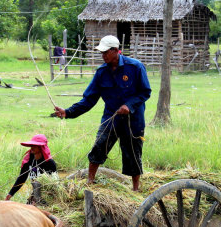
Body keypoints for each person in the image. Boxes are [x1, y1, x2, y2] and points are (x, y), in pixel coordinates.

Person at [54, 35, 151, 191]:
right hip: (111, 118)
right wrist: (68, 112)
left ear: (115, 50)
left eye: (106, 52)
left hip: (133, 119)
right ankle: (90, 183)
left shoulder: (135, 67)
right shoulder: (101, 73)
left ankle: (135, 189)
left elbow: (145, 92)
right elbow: (89, 100)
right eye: (102, 52)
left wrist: (129, 105)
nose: (103, 55)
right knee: (99, 146)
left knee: (133, 154)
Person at [5, 134, 57, 200]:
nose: (32, 147)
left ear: (41, 147)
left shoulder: (49, 163)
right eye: (31, 145)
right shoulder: (28, 160)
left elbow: (53, 184)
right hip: (35, 193)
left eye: (35, 145)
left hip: (47, 195)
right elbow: (22, 178)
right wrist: (10, 194)